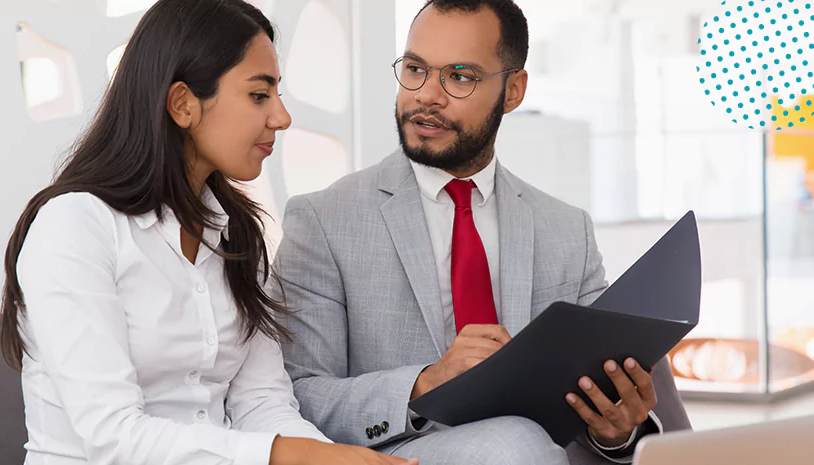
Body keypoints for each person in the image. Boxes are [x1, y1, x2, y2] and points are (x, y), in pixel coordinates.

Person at [270, 1, 692, 464]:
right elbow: (297, 398)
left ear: (513, 91)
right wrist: (425, 381)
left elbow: (598, 399)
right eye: (415, 68)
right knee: (514, 443)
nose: (426, 95)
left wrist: (617, 431)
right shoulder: (324, 220)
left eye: (459, 76)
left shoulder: (568, 231)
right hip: (398, 456)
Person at [0, 1, 418, 465]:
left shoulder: (237, 237)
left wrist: (335, 458)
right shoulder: (74, 226)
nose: (281, 117)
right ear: (183, 104)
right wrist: (288, 456)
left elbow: (262, 404)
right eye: (259, 95)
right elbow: (112, 436)